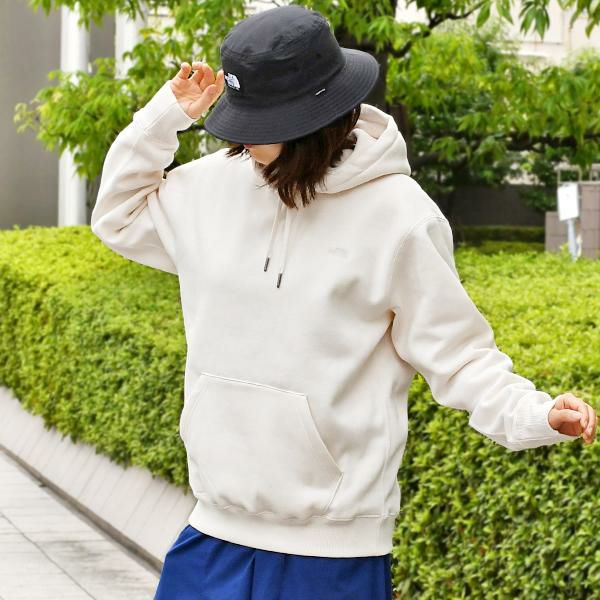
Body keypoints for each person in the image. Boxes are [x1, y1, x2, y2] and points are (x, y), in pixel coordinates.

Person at [90, 5, 597, 599]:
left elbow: (459, 357)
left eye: (260, 122)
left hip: (332, 556)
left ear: (313, 120)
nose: (242, 138)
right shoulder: (208, 188)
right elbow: (117, 215)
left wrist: (535, 414)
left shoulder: (399, 217)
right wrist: (165, 115)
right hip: (212, 533)